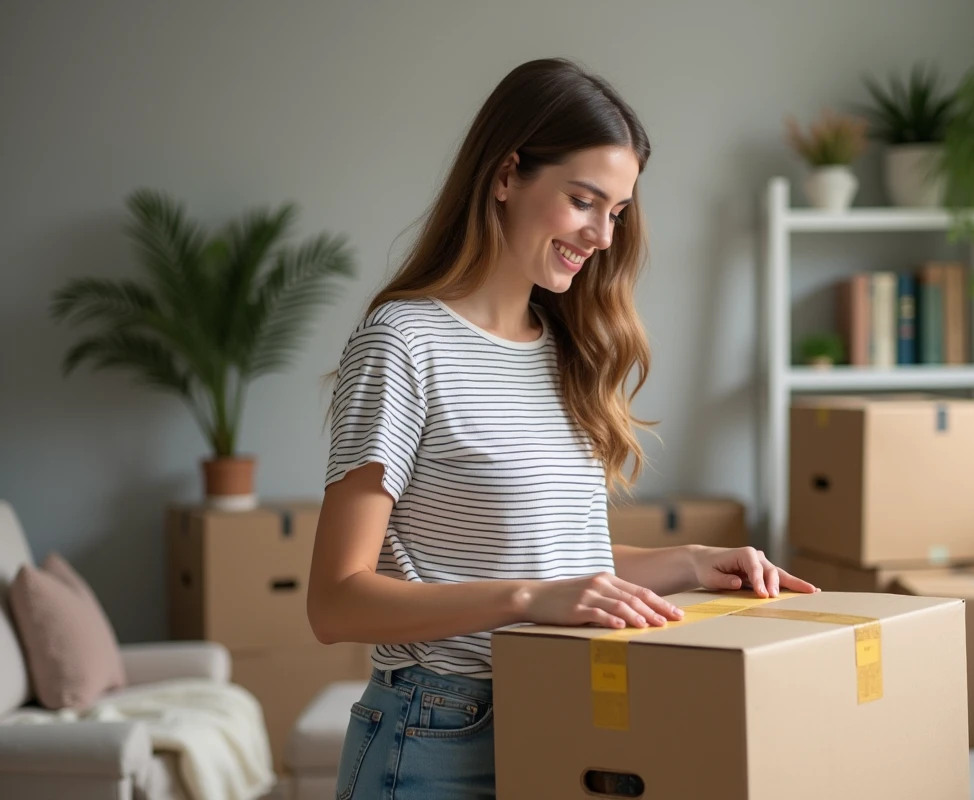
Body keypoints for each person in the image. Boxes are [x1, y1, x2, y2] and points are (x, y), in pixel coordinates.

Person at [307, 56, 818, 800]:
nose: (603, 234)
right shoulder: (403, 343)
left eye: (618, 212)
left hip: (559, 710)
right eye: (584, 201)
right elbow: (335, 602)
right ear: (506, 175)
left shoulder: (563, 350)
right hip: (437, 736)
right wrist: (526, 601)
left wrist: (692, 561)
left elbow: (553, 564)